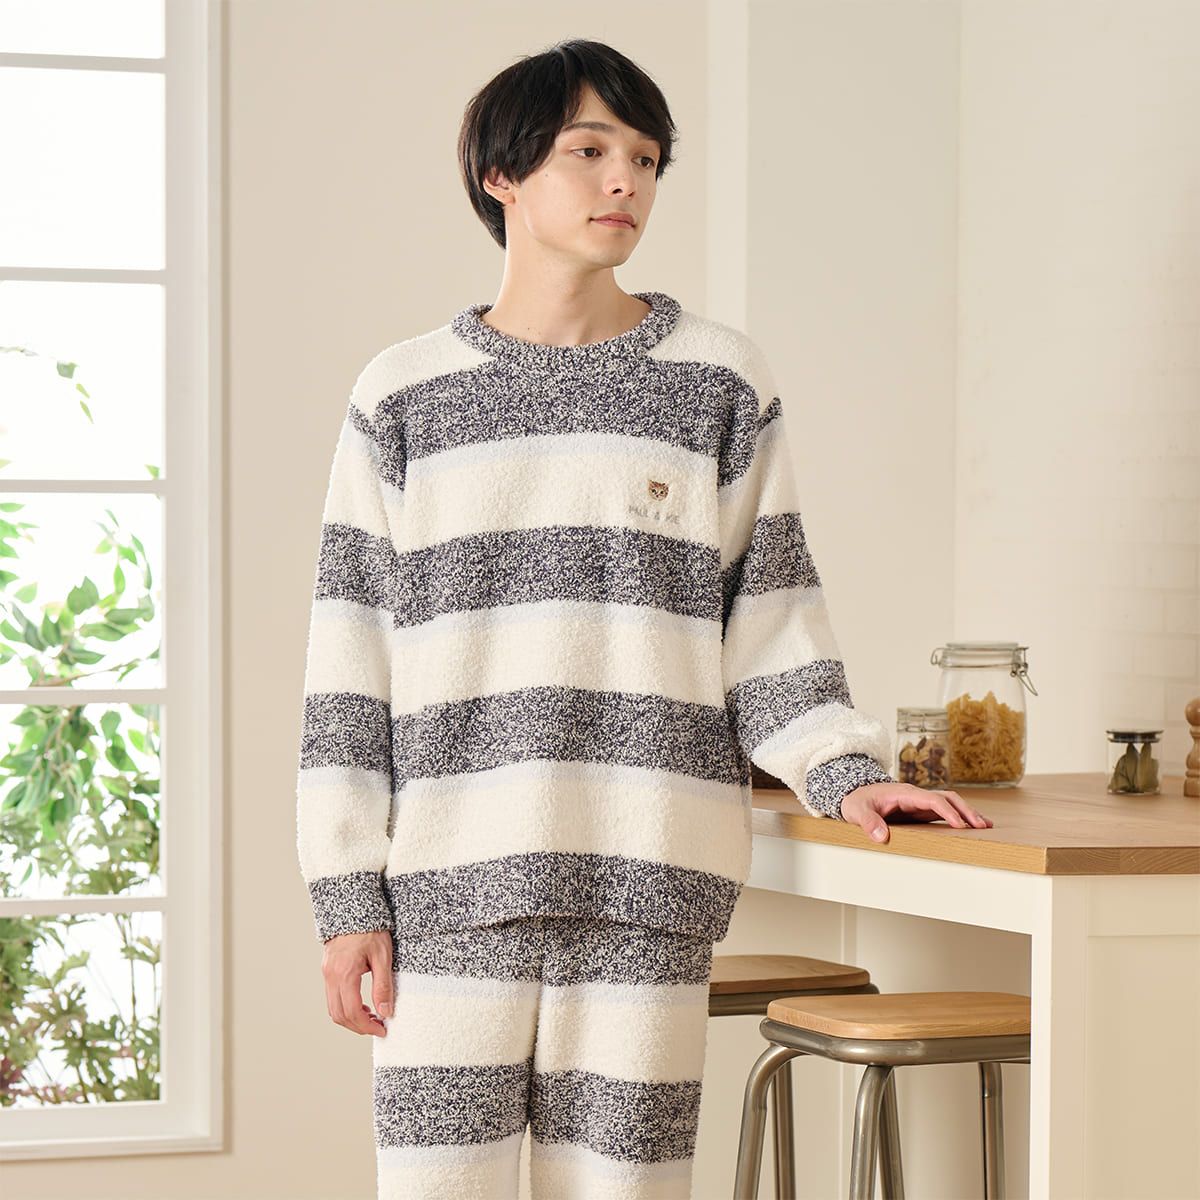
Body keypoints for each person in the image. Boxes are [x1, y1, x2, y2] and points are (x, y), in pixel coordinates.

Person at [295, 37, 992, 1200]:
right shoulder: (401, 395)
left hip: (647, 891)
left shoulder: (717, 383)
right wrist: (345, 897)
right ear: (500, 174)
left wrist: (842, 770)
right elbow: (348, 664)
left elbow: (770, 617)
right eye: (589, 151)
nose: (626, 180)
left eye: (648, 158)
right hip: (449, 897)